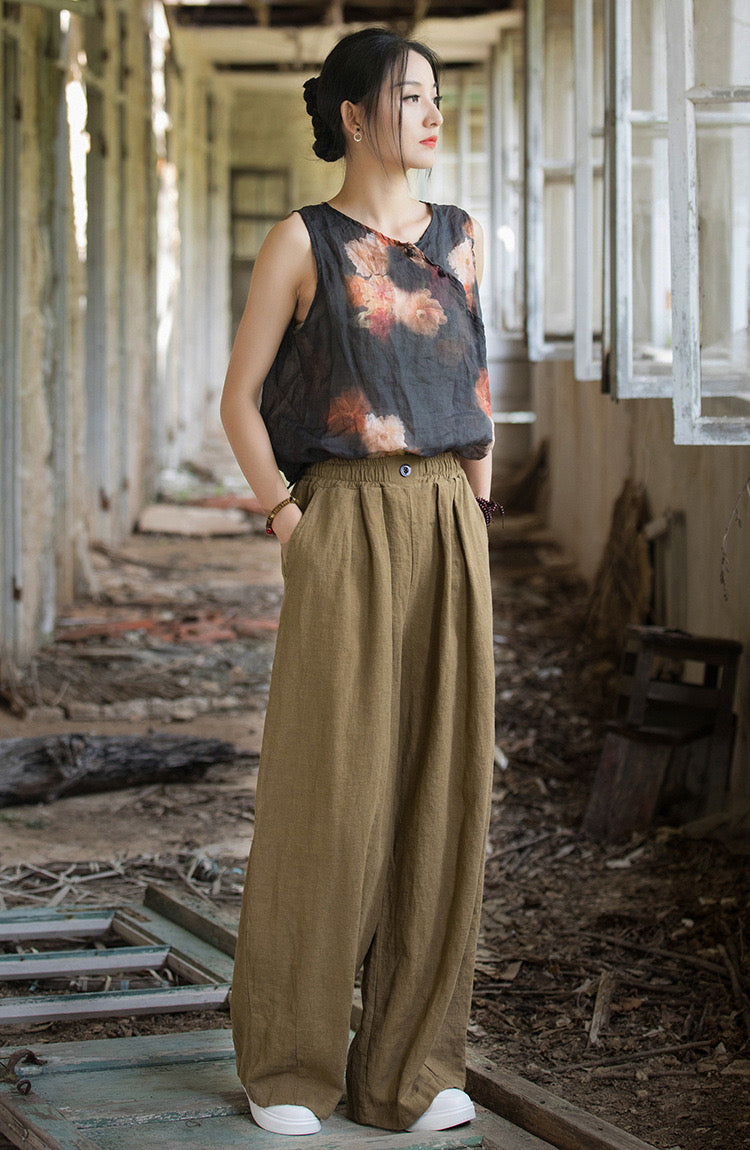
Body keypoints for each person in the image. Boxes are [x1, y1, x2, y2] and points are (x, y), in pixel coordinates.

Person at [220, 26, 500, 1137]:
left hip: (450, 520)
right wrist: (287, 518)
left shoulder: (462, 236)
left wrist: (479, 515)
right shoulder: (304, 241)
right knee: (327, 787)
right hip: (342, 513)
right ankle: (287, 1065)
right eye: (409, 96)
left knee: (444, 787)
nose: (431, 114)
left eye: (435, 96)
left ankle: (409, 1071)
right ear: (352, 115)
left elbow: (475, 384)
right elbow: (240, 398)